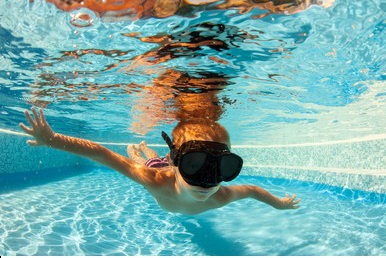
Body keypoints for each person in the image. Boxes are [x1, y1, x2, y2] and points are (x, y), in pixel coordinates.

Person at [19, 107, 300, 215]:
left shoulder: (221, 194)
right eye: (195, 164)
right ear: (179, 161)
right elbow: (103, 154)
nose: (208, 181)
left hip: (171, 167)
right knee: (147, 163)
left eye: (222, 168)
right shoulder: (154, 181)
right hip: (162, 171)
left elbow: (252, 191)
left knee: (156, 161)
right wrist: (53, 139)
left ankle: (151, 154)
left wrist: (280, 204)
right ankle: (141, 151)